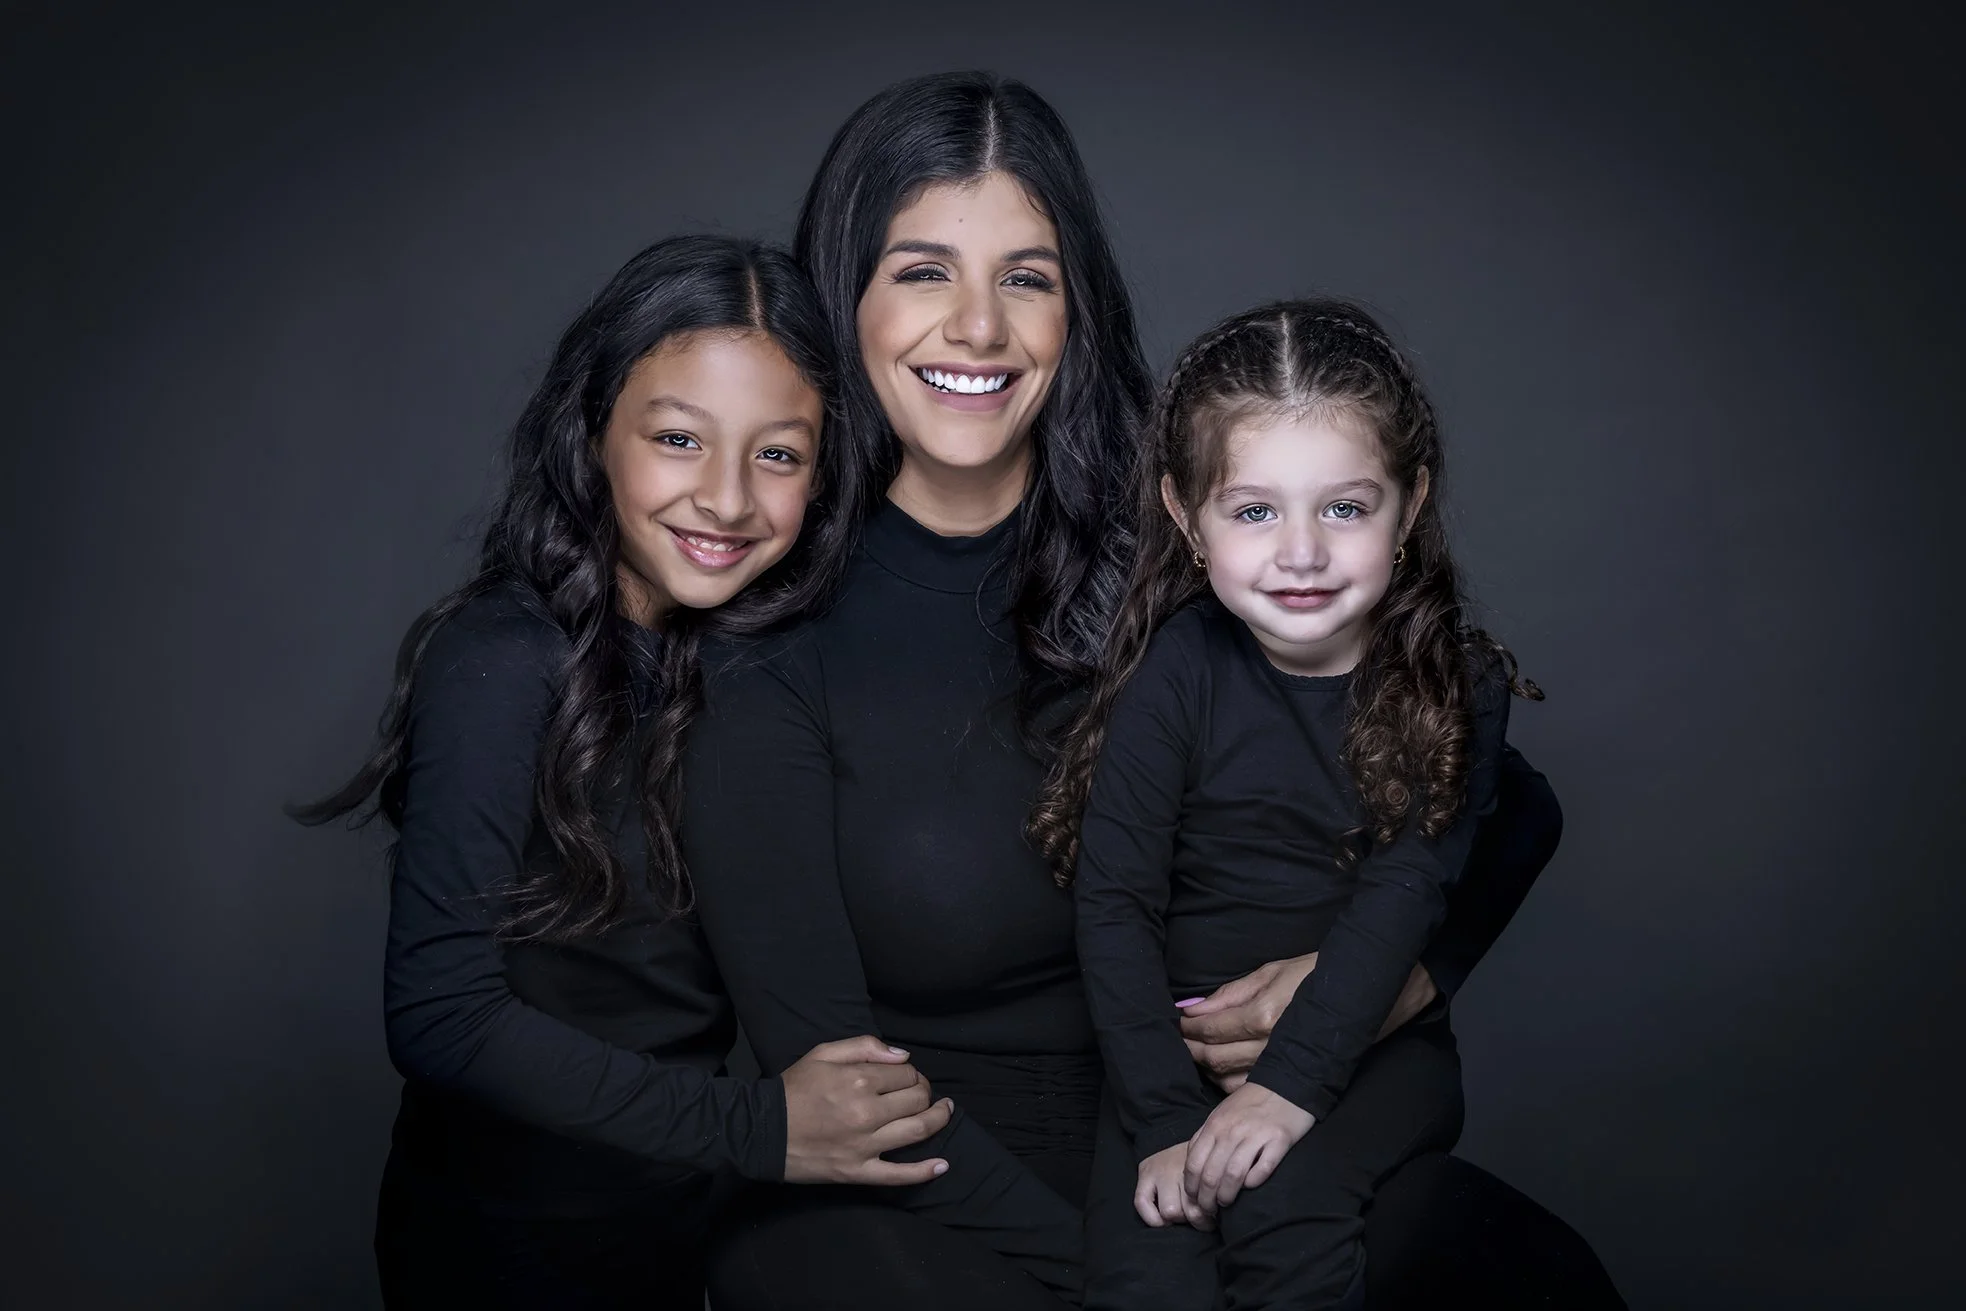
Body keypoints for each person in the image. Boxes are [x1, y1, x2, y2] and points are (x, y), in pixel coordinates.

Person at [684, 74, 1582, 1309]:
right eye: (922, 270)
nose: (979, 328)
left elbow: (1502, 806)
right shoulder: (772, 640)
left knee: (1523, 1276)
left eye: (1027, 277)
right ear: (845, 296)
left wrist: (1384, 988)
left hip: (1232, 1138)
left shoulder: (1201, 556)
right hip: (936, 1185)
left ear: (1076, 310)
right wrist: (1127, 1271)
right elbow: (832, 1077)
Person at [294, 235, 952, 1309]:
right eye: (680, 440)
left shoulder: (746, 663)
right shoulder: (503, 659)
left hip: (689, 1226)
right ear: (593, 428)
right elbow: (439, 1013)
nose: (728, 499)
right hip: (505, 1245)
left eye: (778, 455)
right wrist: (760, 1129)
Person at [1041, 298, 1531, 1309]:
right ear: (1185, 514)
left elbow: (1403, 896)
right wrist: (1166, 1116)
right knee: (1145, 1272)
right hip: (1166, 1064)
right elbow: (1114, 903)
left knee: (1284, 1219)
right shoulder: (1175, 670)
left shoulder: (1452, 684)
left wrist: (1286, 1089)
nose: (1300, 553)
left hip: (1365, 1056)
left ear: (1409, 503)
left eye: (1344, 508)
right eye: (1254, 510)